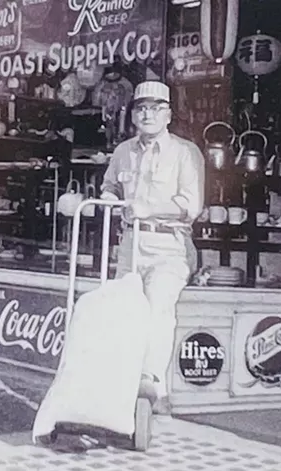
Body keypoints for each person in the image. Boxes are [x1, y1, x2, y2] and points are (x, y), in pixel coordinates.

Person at [99, 81, 205, 415]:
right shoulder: (123, 151)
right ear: (133, 115)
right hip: (130, 244)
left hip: (169, 246)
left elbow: (192, 205)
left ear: (169, 115)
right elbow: (110, 186)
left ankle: (153, 387)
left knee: (159, 309)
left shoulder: (186, 152)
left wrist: (150, 207)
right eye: (141, 109)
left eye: (155, 109)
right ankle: (123, 386)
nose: (147, 115)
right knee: (125, 314)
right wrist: (107, 199)